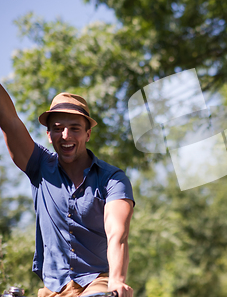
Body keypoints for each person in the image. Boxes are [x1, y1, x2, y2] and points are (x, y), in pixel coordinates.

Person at [0, 85, 134, 297]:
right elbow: (8, 119)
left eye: (75, 128)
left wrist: (117, 280)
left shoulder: (112, 179)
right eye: (57, 128)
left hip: (97, 283)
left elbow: (117, 233)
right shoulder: (39, 167)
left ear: (88, 134)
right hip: (53, 288)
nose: (65, 135)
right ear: (48, 134)